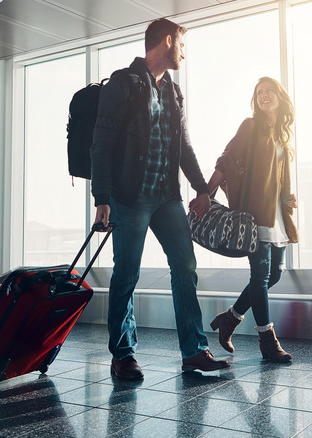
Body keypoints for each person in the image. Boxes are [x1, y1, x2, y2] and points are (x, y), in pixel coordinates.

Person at [90, 18, 228, 379]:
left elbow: (183, 146)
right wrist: (101, 197)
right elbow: (100, 144)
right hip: (128, 197)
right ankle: (123, 355)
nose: (184, 52)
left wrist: (201, 189)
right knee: (127, 274)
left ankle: (194, 351)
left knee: (185, 267)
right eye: (182, 44)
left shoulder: (173, 91)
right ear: (167, 41)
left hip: (167, 198)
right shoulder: (124, 83)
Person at [205, 77, 299, 362]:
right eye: (259, 92)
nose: (264, 95)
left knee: (275, 274)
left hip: (277, 215)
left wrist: (287, 198)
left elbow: (279, 176)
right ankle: (268, 342)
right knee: (259, 277)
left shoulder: (282, 134)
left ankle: (230, 318)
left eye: (269, 90)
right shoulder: (250, 126)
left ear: (280, 97)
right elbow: (226, 161)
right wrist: (205, 195)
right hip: (255, 215)